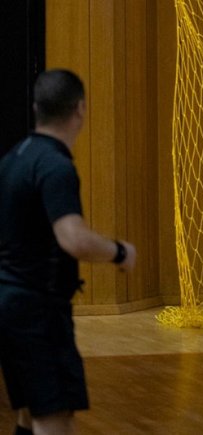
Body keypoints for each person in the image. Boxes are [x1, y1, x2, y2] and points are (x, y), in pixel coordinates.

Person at [0, 69, 137, 435]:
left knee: (27, 413)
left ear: (36, 108)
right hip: (38, 312)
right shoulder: (55, 166)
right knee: (54, 419)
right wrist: (119, 252)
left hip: (9, 306)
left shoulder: (13, 158)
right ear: (80, 108)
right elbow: (73, 238)